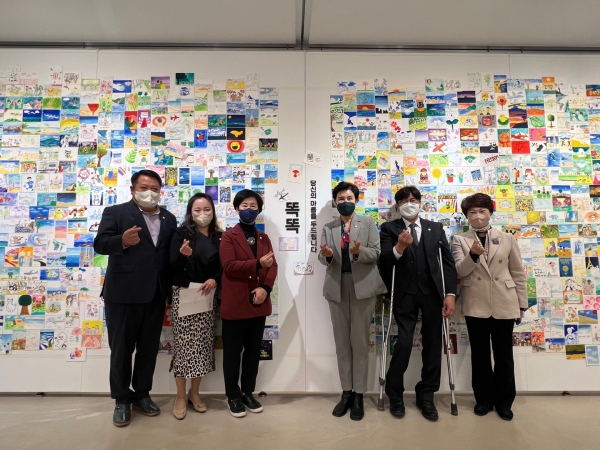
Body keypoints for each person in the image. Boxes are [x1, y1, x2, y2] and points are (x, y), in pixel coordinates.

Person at [94, 169, 177, 427]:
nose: (149, 192)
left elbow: (166, 255)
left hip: (155, 294)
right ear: (132, 190)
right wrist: (122, 240)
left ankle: (142, 394)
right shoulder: (116, 212)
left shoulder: (169, 218)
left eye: (154, 188)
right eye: (143, 187)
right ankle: (121, 399)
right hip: (123, 294)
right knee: (121, 350)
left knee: (148, 349)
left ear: (160, 191)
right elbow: (100, 244)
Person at [379, 186, 457, 421]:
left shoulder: (436, 228)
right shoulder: (389, 228)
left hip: (432, 293)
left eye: (413, 200)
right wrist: (400, 247)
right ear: (397, 206)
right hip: (404, 293)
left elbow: (447, 263)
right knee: (403, 343)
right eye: (403, 201)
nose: (409, 204)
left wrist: (450, 294)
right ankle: (395, 394)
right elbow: (385, 262)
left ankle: (426, 395)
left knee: (433, 344)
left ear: (420, 203)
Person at [452, 193, 526, 421]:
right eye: (472, 212)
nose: (477, 216)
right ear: (466, 216)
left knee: (504, 356)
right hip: (476, 304)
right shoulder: (460, 239)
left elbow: (517, 273)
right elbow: (460, 270)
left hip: (505, 301)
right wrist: (473, 256)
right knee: (480, 356)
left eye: (482, 211)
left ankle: (504, 402)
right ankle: (483, 400)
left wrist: (521, 305)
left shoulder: (507, 238)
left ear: (490, 212)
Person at [318, 182, 386, 421]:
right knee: (342, 344)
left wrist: (359, 252)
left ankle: (359, 394)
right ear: (335, 202)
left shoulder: (367, 223)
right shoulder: (328, 227)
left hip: (363, 288)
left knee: (360, 343)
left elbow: (376, 253)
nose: (345, 201)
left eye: (349, 198)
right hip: (337, 287)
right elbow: (323, 257)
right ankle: (346, 392)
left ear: (356, 200)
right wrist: (327, 256)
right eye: (340, 198)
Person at [219, 189, 277, 418]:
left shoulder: (264, 238)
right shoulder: (228, 237)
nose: (249, 209)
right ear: (237, 209)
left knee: (253, 353)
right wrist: (257, 263)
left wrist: (266, 289)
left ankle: (247, 393)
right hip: (235, 306)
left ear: (259, 210)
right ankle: (233, 396)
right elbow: (229, 266)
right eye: (244, 205)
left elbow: (273, 266)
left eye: (253, 206)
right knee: (232, 354)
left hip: (258, 303)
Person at [169, 193, 222, 420]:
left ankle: (195, 393)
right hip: (184, 295)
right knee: (183, 347)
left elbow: (224, 267)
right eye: (197, 210)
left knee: (201, 347)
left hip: (207, 297)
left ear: (213, 211)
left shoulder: (219, 237)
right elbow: (170, 267)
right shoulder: (180, 234)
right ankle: (180, 396)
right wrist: (182, 257)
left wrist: (215, 280)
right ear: (190, 212)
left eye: (207, 209)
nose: (202, 214)